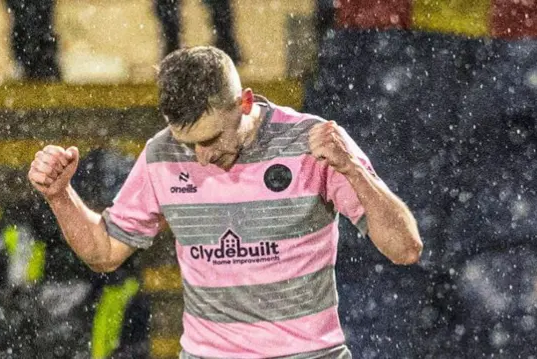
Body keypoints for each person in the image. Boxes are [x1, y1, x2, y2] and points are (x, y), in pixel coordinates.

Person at [28, 46, 423, 358]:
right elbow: (104, 253)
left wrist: (353, 170)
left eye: (212, 138)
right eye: (189, 143)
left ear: (245, 103)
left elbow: (405, 248)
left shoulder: (314, 142)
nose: (202, 157)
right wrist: (59, 196)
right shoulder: (161, 155)